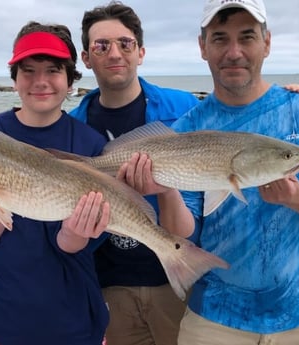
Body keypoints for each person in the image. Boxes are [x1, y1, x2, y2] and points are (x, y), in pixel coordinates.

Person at [172, 1, 299, 344]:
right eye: (219, 39)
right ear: (202, 47)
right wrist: (162, 186)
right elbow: (183, 233)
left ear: (267, 42)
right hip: (212, 322)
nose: (234, 52)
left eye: (247, 37)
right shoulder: (187, 128)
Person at [0, 21, 110, 345]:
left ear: (69, 80)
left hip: (73, 323)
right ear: (14, 80)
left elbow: (81, 245)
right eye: (28, 70)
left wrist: (74, 233)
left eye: (53, 70)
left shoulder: (91, 144)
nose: (40, 81)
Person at [70, 2, 199, 344]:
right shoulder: (72, 128)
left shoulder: (185, 109)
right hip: (109, 285)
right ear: (86, 57)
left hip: (178, 278)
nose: (115, 53)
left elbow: (235, 120)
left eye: (125, 44)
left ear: (140, 52)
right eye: (101, 45)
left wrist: (290, 95)